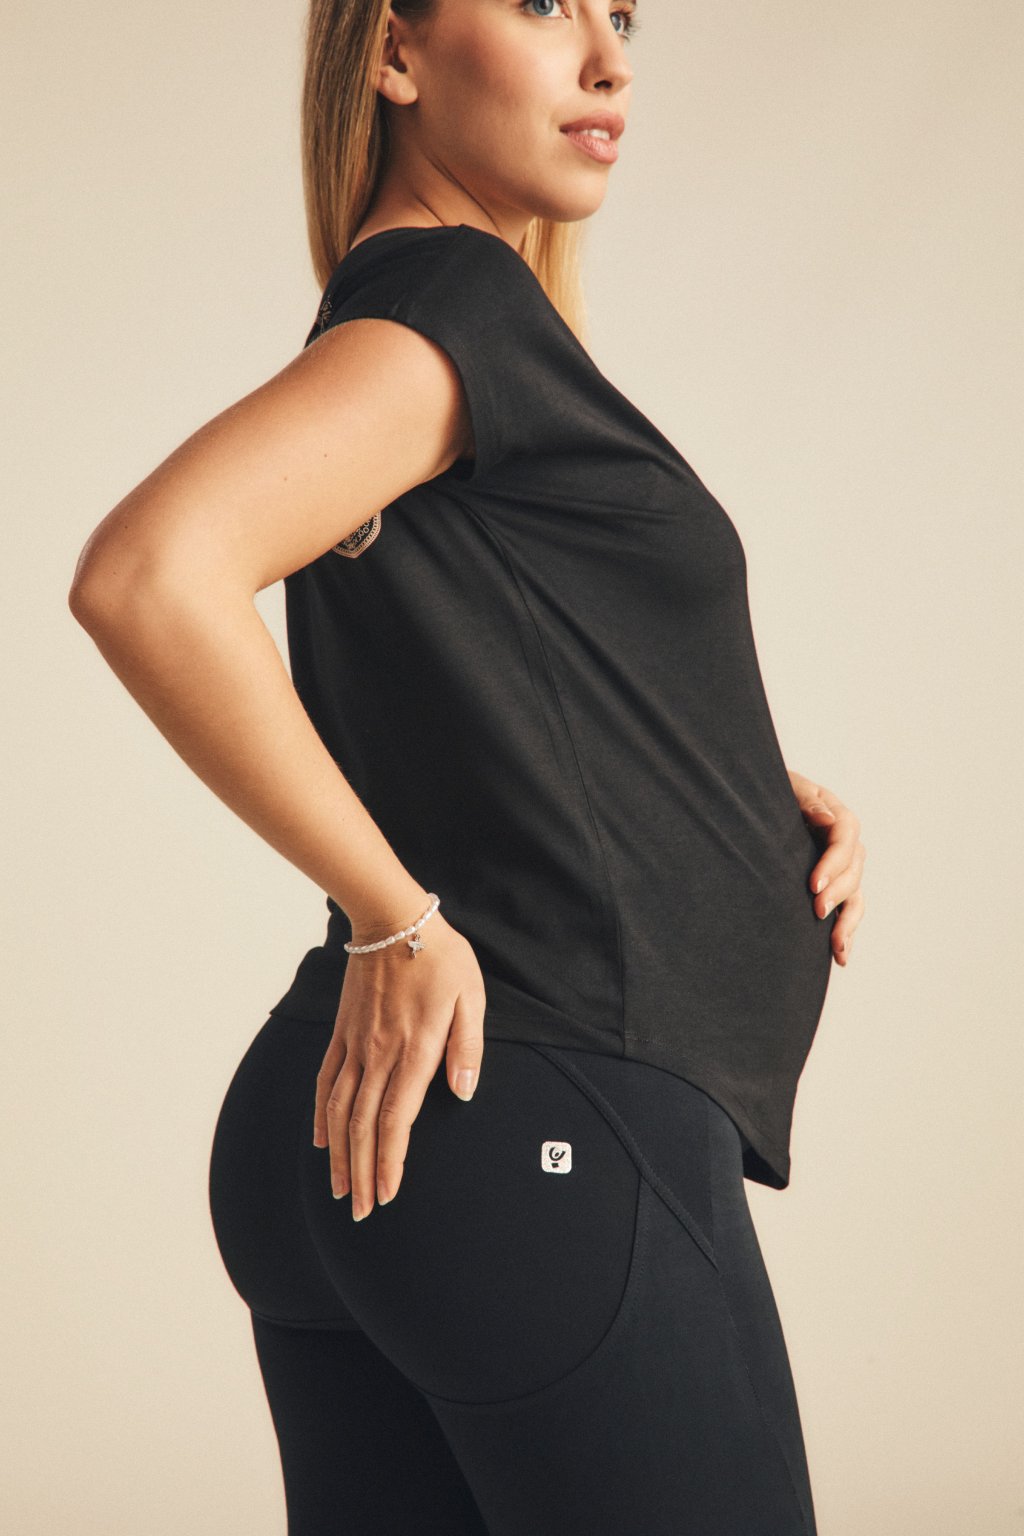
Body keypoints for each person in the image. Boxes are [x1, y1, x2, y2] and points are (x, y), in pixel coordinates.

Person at [68, 0, 867, 1531]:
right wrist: (395, 916)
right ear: (393, 53)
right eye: (545, 3)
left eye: (623, 15)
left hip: (375, 1130)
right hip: (538, 1125)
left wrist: (726, 795)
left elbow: (501, 691)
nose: (610, 57)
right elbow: (147, 574)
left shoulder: (431, 331)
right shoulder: (451, 312)